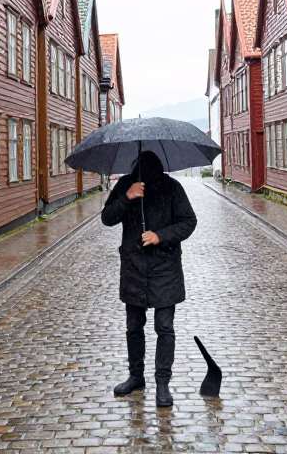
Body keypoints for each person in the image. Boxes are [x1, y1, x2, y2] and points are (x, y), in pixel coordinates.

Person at [100, 151, 198, 408]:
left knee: (164, 327)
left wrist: (160, 236)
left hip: (165, 269)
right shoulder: (125, 185)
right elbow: (107, 218)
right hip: (133, 267)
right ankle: (136, 376)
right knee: (134, 326)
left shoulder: (171, 187)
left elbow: (189, 221)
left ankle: (163, 384)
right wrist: (127, 197)